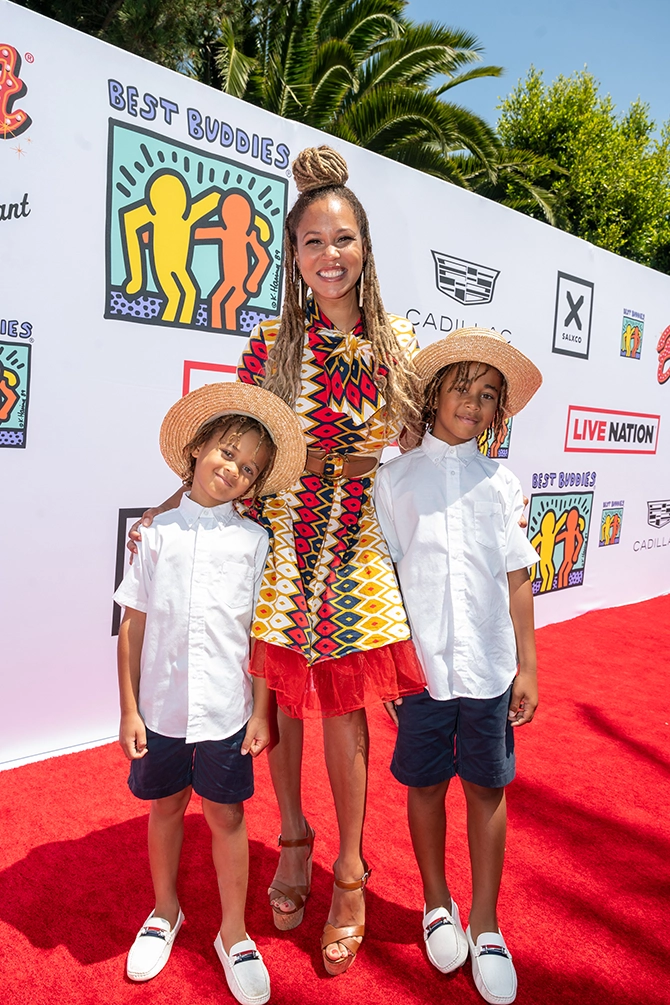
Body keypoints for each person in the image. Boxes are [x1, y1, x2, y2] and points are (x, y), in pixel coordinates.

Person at [129, 145, 426, 976]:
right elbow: (240, 443)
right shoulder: (267, 344)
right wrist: (166, 504)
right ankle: (292, 842)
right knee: (288, 709)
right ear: (293, 257)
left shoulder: (398, 341)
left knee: (345, 714)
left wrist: (392, 448)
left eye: (344, 240)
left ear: (366, 248)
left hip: (356, 543)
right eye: (312, 243)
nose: (330, 256)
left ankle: (353, 872)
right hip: (282, 540)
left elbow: (426, 434)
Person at [115, 382, 305, 1004]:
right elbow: (133, 624)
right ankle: (164, 911)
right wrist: (129, 708)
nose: (233, 470)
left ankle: (232, 932)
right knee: (165, 808)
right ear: (195, 450)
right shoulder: (154, 535)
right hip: (162, 711)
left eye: (248, 468)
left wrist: (259, 710)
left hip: (227, 711)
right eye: (226, 453)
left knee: (227, 818)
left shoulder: (256, 543)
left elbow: (259, 637)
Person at [374, 328, 542, 1005]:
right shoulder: (394, 478)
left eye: (488, 394)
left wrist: (528, 666)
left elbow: (518, 577)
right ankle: (437, 901)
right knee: (423, 783)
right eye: (461, 386)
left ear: (498, 411)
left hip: (491, 667)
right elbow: (381, 573)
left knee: (486, 788)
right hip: (419, 670)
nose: (472, 401)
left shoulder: (502, 482)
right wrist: (389, 663)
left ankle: (487, 922)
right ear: (433, 392)